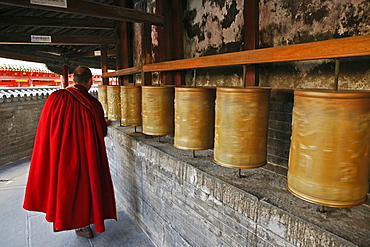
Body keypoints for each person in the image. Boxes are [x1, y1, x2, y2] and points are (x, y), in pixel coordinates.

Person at [23, 66, 117, 239]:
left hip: (60, 153)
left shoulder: (55, 98)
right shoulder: (91, 103)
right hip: (85, 154)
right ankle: (86, 221)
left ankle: (75, 222)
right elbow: (100, 131)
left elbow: (45, 129)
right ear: (90, 81)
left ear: (74, 80)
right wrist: (105, 124)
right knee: (85, 185)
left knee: (65, 187)